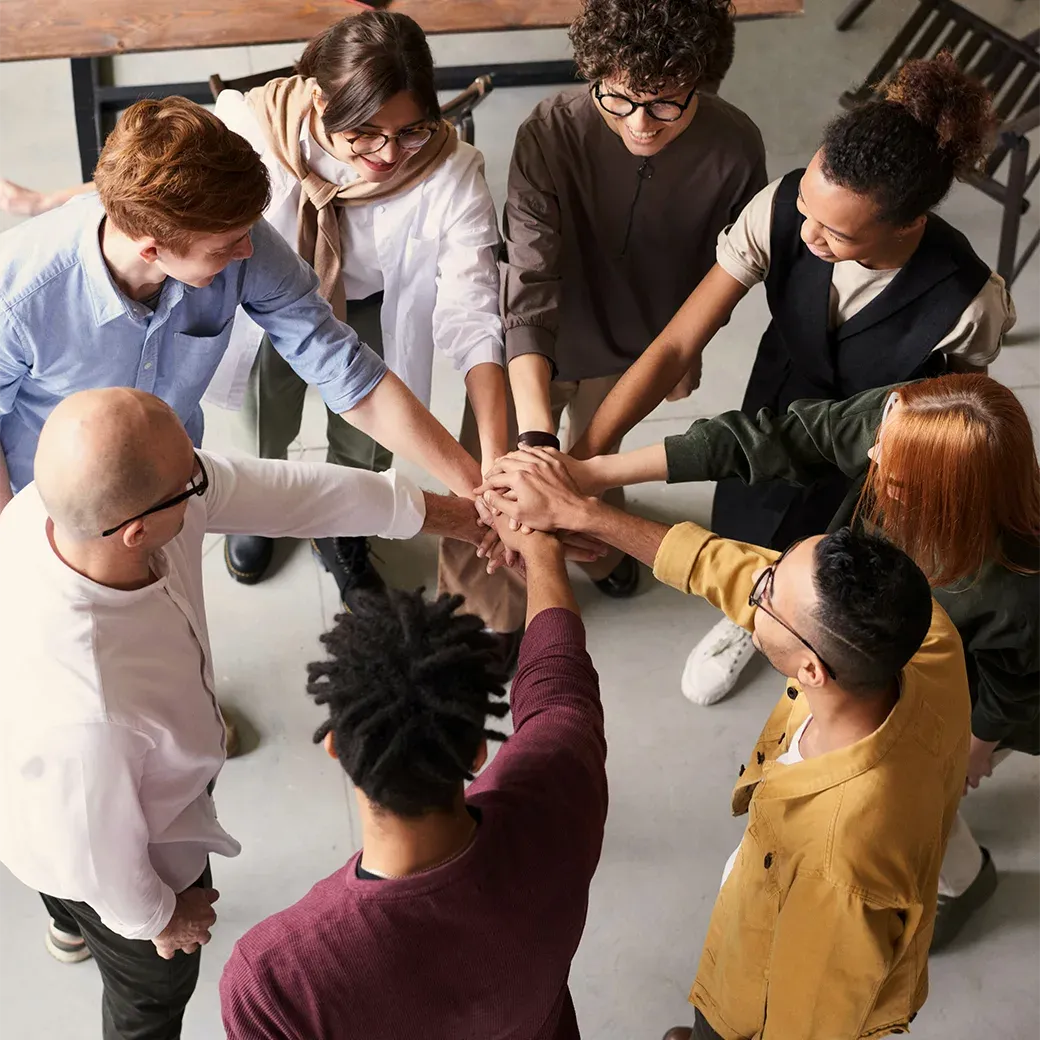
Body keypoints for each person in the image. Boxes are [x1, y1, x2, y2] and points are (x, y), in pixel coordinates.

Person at [0, 12, 522, 652]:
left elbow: (347, 371)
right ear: (153, 247)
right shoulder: (19, 293)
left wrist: (476, 489)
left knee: (175, 625)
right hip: (46, 508)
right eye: (226, 248)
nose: (250, 253)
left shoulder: (239, 238)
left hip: (174, 486)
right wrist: (17, 547)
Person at [0, 387, 502, 1039]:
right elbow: (91, 854)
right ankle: (85, 924)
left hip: (66, 781)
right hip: (91, 842)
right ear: (137, 532)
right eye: (191, 482)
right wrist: (160, 918)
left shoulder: (66, 505)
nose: (205, 480)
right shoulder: (92, 709)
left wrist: (455, 517)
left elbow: (287, 493)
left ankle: (69, 923)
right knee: (149, 996)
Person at [570, 51, 1015, 706]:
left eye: (835, 232)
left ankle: (804, 636)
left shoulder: (972, 302)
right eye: (806, 205)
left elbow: (955, 415)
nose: (807, 234)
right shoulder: (779, 209)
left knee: (835, 567)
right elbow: (674, 345)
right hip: (773, 408)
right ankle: (749, 616)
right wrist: (586, 457)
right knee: (749, 517)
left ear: (909, 224)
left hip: (871, 460)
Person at [477, 450, 971, 1040]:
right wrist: (582, 513)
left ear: (811, 670)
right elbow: (732, 569)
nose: (752, 586)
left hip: (752, 1000)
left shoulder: (839, 870)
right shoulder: (921, 635)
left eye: (765, 595)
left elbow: (807, 1025)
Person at [558, 372, 1040, 947]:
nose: (872, 450)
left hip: (971, 700)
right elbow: (776, 438)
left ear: (939, 494)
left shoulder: (1016, 588)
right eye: (880, 432)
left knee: (919, 804)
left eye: (891, 463)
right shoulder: (901, 423)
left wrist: (974, 749)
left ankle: (963, 881)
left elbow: (1015, 688)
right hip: (880, 665)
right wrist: (590, 477)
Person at [219, 517, 606, 1039]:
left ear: (336, 747)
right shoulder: (560, 789)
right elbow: (559, 685)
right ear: (477, 750)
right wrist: (541, 552)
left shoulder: (274, 980)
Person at [498, 0, 766, 600]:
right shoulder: (548, 131)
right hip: (532, 341)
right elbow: (528, 277)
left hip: (635, 346)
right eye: (617, 98)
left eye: (666, 102)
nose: (641, 123)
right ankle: (485, 604)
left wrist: (684, 352)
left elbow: (719, 276)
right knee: (503, 469)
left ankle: (596, 552)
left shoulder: (737, 148)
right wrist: (538, 441)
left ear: (703, 79)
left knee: (599, 456)